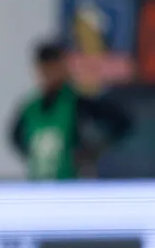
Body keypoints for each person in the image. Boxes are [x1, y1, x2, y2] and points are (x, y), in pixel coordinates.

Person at [11, 40, 131, 180]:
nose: (50, 72)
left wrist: (91, 151)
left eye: (54, 65)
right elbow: (17, 139)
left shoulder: (79, 104)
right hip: (39, 184)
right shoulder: (30, 109)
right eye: (45, 66)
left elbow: (121, 124)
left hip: (73, 187)